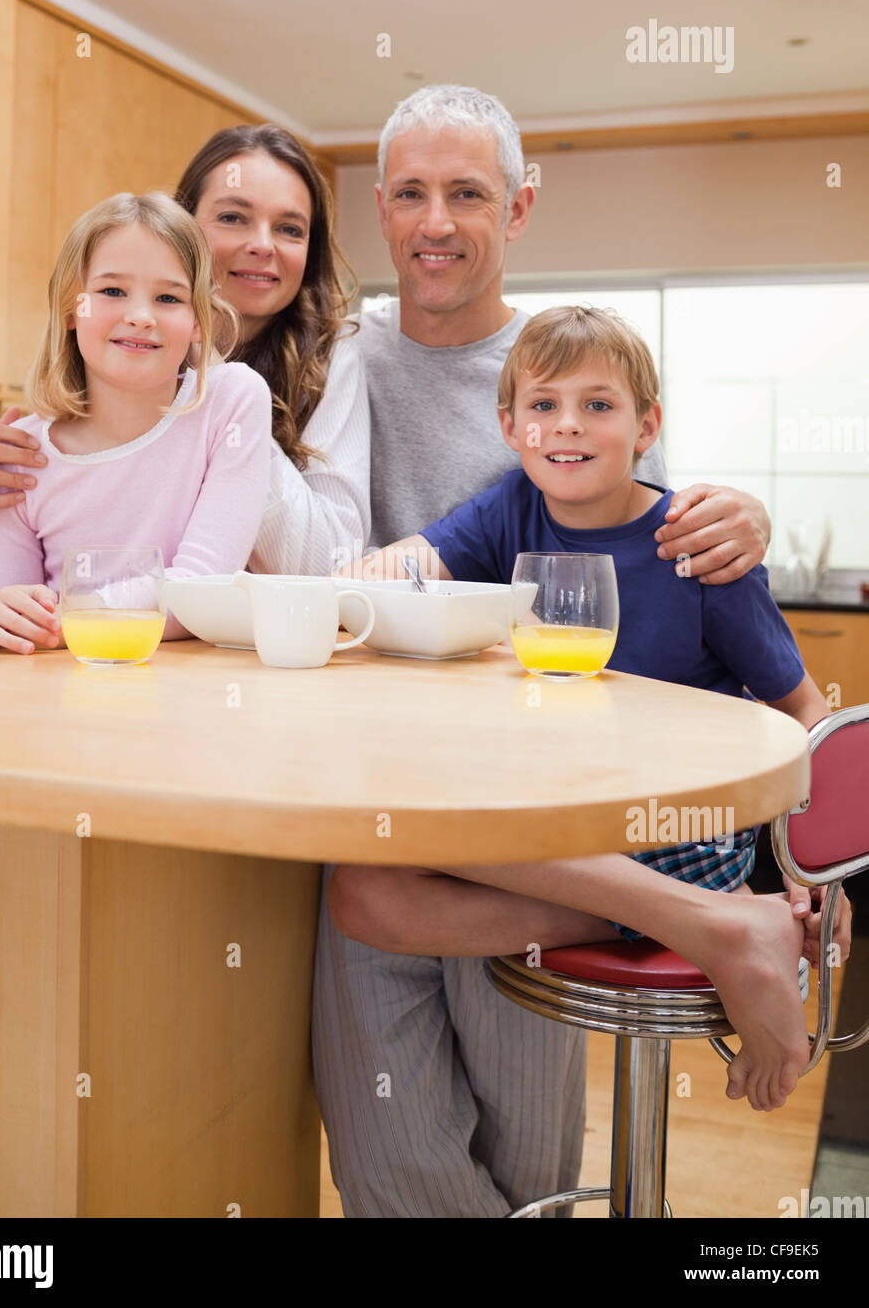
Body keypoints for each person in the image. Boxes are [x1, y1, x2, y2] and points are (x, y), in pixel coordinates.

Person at [312, 84, 790, 1219]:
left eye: (468, 193)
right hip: (365, 800)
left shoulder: (561, 372)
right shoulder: (330, 363)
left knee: (532, 1162)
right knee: (384, 1162)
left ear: (518, 207)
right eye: (413, 194)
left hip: (541, 813)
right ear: (378, 208)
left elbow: (673, 536)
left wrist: (746, 522)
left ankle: (681, 909)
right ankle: (678, 913)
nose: (437, 221)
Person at [329, 303, 851, 1115]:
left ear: (647, 426)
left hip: (677, 828)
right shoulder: (512, 511)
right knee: (363, 894)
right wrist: (353, 579)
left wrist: (816, 867)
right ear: (509, 426)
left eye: (597, 405)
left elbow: (807, 713)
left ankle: (716, 918)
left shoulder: (696, 547)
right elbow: (408, 565)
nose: (565, 426)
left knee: (430, 816)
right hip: (569, 833)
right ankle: (709, 926)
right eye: (543, 406)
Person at [0, 124, 370, 605]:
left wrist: (228, 411)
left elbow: (334, 568)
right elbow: (10, 619)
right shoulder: (73, 403)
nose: (263, 245)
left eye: (290, 228)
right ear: (182, 223)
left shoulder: (329, 359)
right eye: (233, 217)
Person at [0, 191, 271, 654]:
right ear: (70, 308)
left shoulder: (231, 402)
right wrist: (4, 617)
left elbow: (201, 590)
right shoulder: (20, 452)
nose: (140, 317)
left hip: (188, 706)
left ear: (199, 322)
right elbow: (12, 625)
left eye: (168, 297)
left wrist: (70, 620)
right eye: (111, 291)